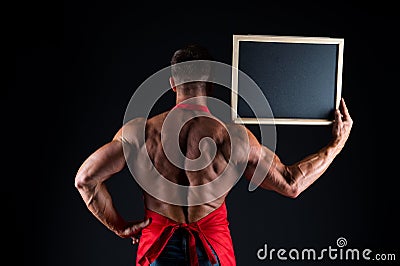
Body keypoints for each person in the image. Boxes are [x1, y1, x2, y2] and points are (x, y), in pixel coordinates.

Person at [75, 44, 353, 266]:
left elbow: (85, 179)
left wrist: (120, 227)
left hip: (157, 247)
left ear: (173, 83)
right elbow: (292, 184)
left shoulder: (139, 133)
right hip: (212, 250)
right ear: (209, 86)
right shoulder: (234, 137)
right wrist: (337, 143)